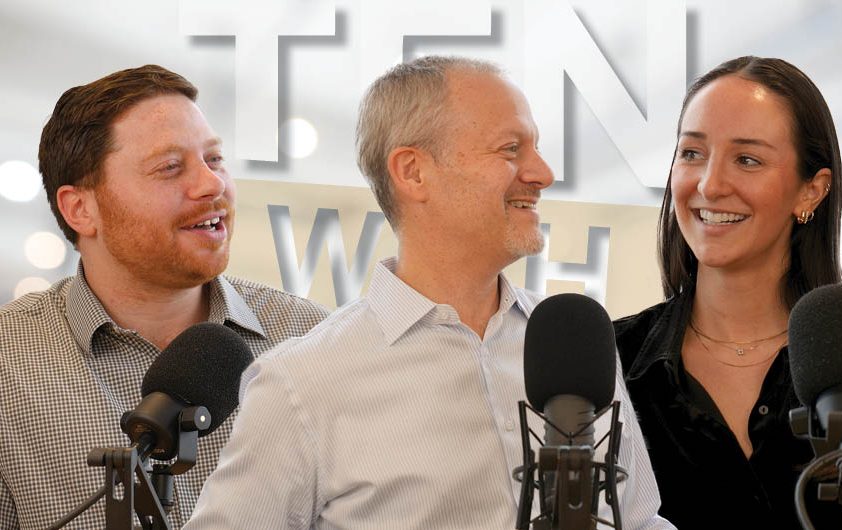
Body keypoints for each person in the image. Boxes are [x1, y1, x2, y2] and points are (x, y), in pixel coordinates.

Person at [186, 56, 673, 529]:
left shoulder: (574, 342)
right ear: (414, 172)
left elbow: (638, 520)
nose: (543, 173)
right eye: (510, 149)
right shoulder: (300, 384)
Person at [0, 65, 329, 529]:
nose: (211, 185)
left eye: (214, 160)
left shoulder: (314, 339)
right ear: (81, 209)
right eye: (170, 168)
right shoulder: (8, 365)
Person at [613, 56, 842, 529]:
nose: (710, 184)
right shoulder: (609, 364)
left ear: (811, 191)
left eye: (747, 160)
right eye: (692, 153)